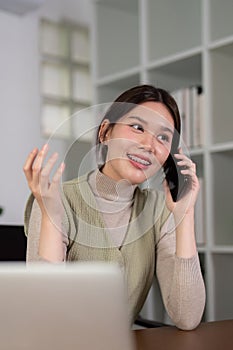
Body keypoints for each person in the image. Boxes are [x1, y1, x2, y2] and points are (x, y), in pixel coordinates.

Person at [23, 84, 205, 330]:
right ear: (106, 132)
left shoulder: (159, 210)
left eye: (163, 137)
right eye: (137, 127)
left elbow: (188, 317)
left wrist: (185, 215)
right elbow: (45, 317)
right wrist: (51, 216)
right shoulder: (56, 199)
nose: (149, 144)